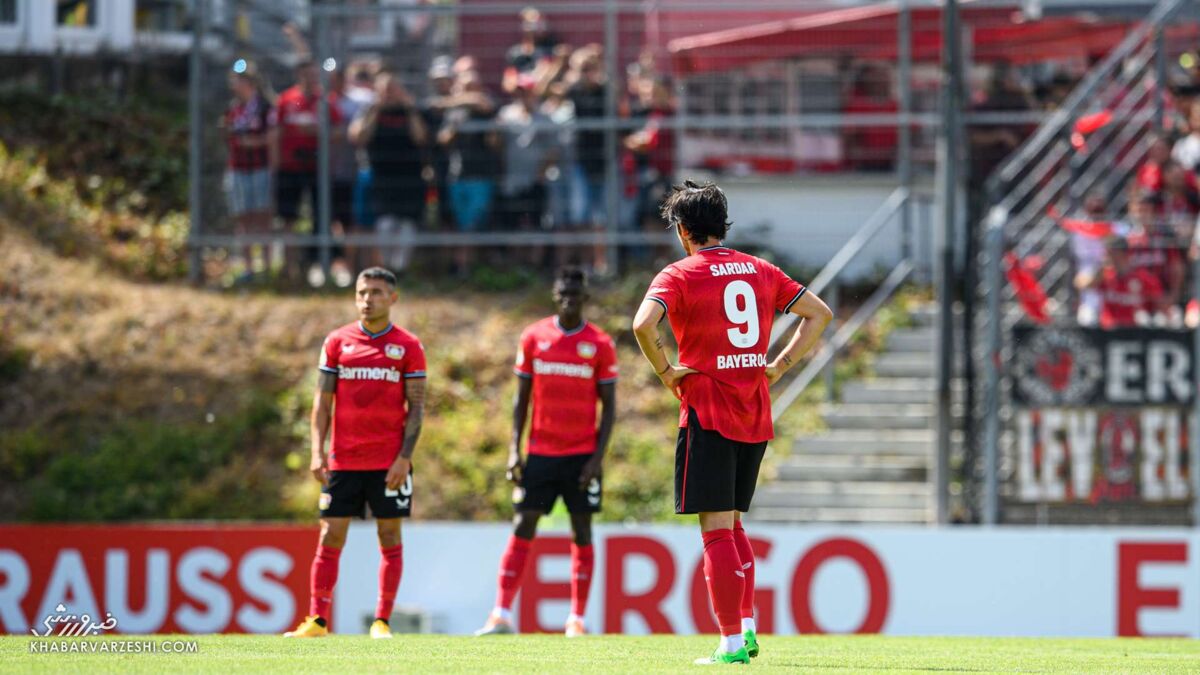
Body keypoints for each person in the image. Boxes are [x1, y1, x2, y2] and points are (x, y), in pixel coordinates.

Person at [631, 181, 832, 665]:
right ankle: (745, 625)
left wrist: (666, 371)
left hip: (708, 410)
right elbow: (819, 313)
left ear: (683, 231)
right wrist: (779, 366)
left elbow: (642, 324)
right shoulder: (760, 269)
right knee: (735, 525)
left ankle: (729, 644)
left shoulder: (679, 274)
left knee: (716, 530)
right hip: (755, 410)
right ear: (723, 225)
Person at [285, 267, 427, 639]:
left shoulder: (408, 347)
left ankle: (381, 621)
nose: (368, 299)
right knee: (330, 535)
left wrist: (404, 457)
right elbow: (322, 403)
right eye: (362, 292)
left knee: (390, 537)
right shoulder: (337, 342)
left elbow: (418, 406)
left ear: (392, 299)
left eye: (377, 293)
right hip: (344, 460)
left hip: (387, 463)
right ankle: (316, 621)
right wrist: (318, 452)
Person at [475, 267, 618, 638]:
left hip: (582, 456)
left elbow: (610, 408)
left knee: (582, 529)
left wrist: (597, 460)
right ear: (555, 296)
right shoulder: (535, 337)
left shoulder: (599, 344)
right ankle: (501, 614)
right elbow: (520, 400)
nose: (570, 297)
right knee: (523, 524)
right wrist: (513, 451)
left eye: (576, 292)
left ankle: (577, 620)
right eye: (564, 292)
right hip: (540, 453)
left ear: (585, 297)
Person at [270, 59, 344, 282]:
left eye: (314, 74)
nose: (311, 78)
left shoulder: (326, 100)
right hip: (290, 167)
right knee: (288, 218)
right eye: (306, 74)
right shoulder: (286, 99)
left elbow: (340, 131)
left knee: (321, 217)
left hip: (317, 168)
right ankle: (289, 267)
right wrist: (276, 165)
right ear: (298, 75)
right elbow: (276, 132)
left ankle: (320, 266)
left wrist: (319, 132)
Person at [351, 73, 429, 272]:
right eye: (384, 91)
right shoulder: (369, 111)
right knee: (385, 225)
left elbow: (420, 137)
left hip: (410, 178)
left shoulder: (411, 111)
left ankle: (402, 270)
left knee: (407, 225)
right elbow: (359, 137)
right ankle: (388, 268)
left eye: (392, 89)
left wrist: (409, 109)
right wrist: (375, 111)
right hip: (382, 179)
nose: (389, 94)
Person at [222, 60, 273, 278]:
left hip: (260, 168)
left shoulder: (264, 107)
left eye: (238, 80)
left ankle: (267, 267)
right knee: (243, 220)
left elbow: (273, 135)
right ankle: (248, 268)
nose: (234, 84)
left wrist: (256, 142)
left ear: (249, 82)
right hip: (238, 168)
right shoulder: (233, 109)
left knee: (262, 219)